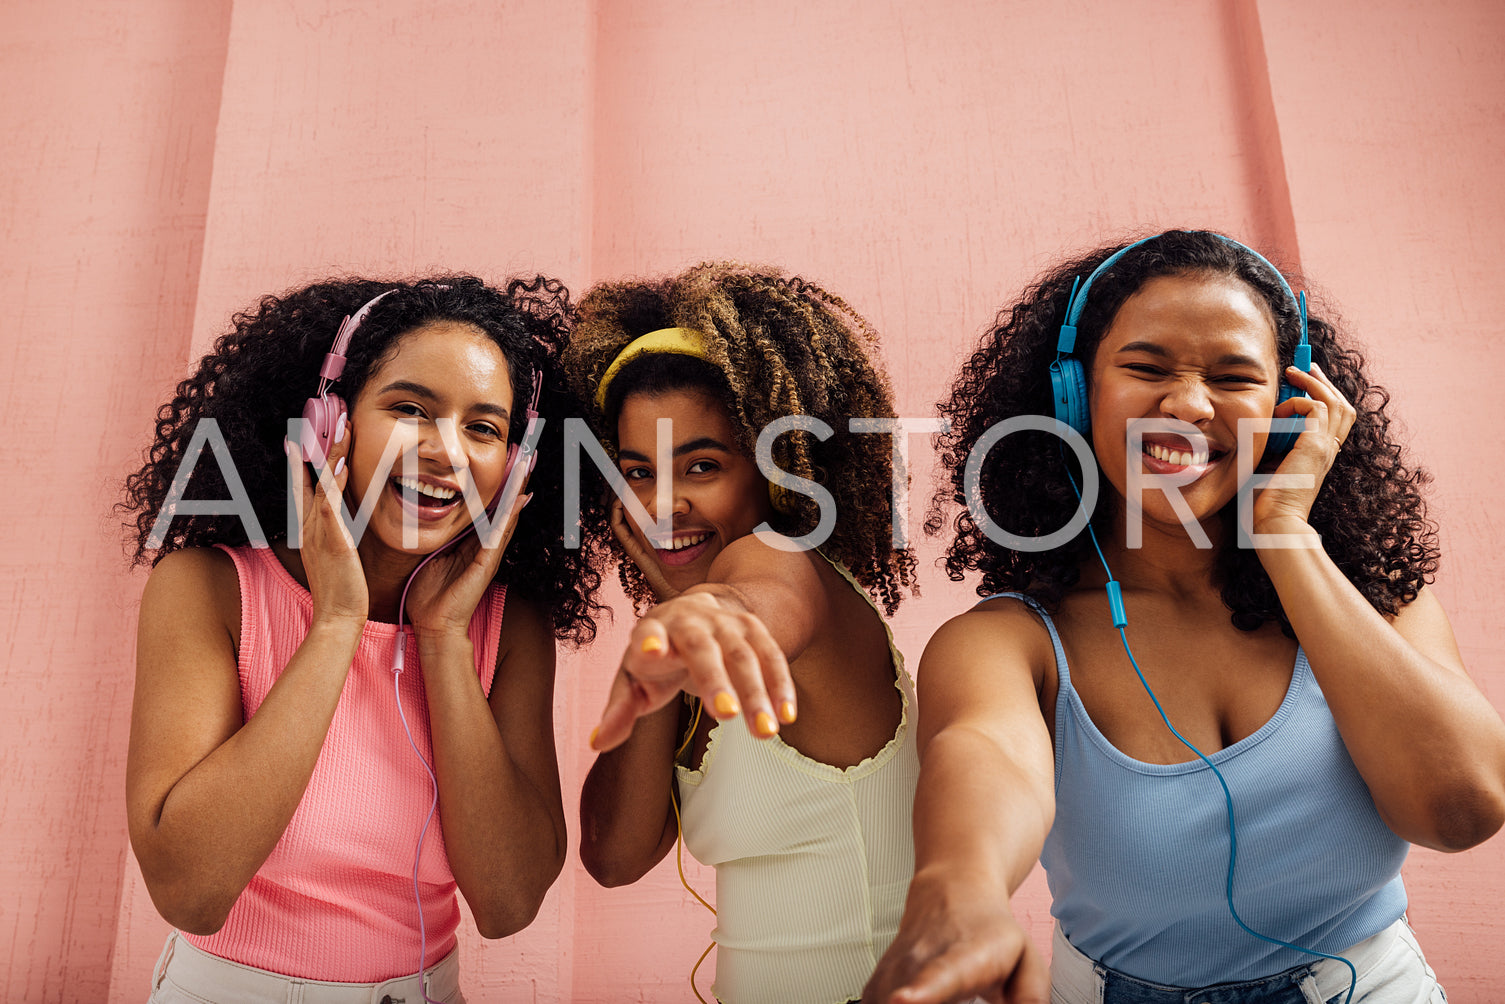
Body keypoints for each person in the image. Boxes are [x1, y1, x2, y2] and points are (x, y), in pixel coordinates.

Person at [864, 230, 1505, 1004]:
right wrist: (958, 897)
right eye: (1145, 367)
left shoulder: (1367, 596)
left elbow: (1460, 811)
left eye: (1234, 377)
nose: (1188, 404)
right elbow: (985, 756)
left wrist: (1286, 538)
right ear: (1071, 393)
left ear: (1291, 406)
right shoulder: (1007, 641)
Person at [120, 276, 606, 1002]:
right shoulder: (209, 588)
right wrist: (337, 625)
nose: (446, 451)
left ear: (518, 462)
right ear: (328, 422)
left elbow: (508, 904)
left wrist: (442, 638)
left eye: (484, 427)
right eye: (410, 408)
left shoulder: (505, 625)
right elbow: (190, 890)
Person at [567, 262, 919, 1004]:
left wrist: (706, 616)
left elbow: (762, 601)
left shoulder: (781, 566)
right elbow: (613, 858)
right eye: (636, 471)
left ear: (776, 470)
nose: (662, 503)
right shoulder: (678, 644)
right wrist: (671, 624)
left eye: (702, 464)